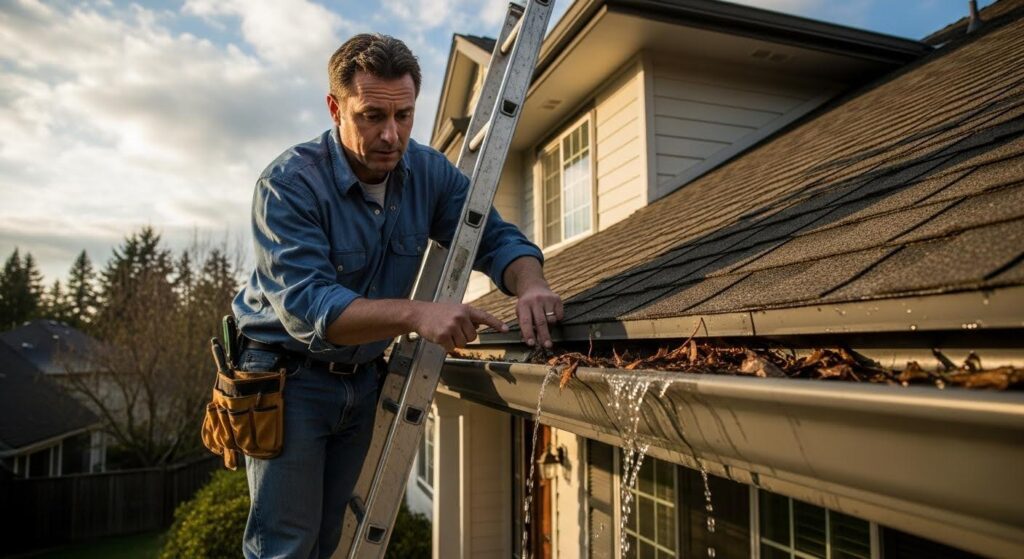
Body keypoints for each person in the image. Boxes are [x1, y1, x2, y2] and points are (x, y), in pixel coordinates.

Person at [231, 33, 561, 558]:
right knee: (286, 547)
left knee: (329, 541)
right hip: (287, 379)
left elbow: (494, 238)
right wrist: (417, 315)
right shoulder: (289, 184)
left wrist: (532, 283)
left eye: (404, 116)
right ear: (335, 108)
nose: (391, 135)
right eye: (371, 117)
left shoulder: (426, 172)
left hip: (361, 380)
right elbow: (309, 307)